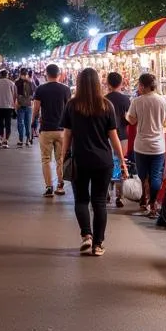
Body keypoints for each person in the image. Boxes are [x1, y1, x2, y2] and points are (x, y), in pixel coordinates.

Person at [61, 67, 128, 256]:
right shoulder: (107, 106)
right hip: (103, 161)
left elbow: (67, 134)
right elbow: (113, 136)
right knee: (99, 202)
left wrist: (62, 156)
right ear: (99, 83)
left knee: (81, 200)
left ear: (80, 83)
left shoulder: (72, 105)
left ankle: (86, 236)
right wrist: (122, 160)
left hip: (80, 160)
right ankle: (98, 244)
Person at [125, 73, 166, 218]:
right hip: (158, 146)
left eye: (139, 85)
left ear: (143, 86)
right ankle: (153, 205)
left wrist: (127, 115)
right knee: (156, 176)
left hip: (141, 146)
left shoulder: (137, 102)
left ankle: (144, 201)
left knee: (143, 175)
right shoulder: (163, 101)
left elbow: (131, 121)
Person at [32, 63, 71, 197]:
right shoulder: (66, 90)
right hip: (61, 130)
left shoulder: (40, 89)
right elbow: (68, 109)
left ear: (46, 74)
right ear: (59, 74)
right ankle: (60, 186)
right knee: (60, 159)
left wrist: (33, 123)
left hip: (46, 129)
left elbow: (36, 108)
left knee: (46, 159)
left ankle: (49, 187)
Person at [105, 72, 131, 209]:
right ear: (121, 83)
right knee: (121, 163)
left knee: (108, 164)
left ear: (108, 83)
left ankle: (107, 193)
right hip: (122, 137)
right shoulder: (126, 100)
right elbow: (129, 119)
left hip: (106, 138)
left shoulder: (104, 99)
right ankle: (119, 197)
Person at [0, 68, 17, 148]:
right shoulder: (11, 83)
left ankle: (2, 139)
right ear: (7, 75)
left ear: (0, 75)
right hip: (9, 106)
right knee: (8, 123)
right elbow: (15, 94)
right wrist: (13, 104)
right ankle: (6, 141)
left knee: (0, 123)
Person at [15, 67, 35, 147]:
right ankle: (25, 140)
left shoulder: (19, 82)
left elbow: (33, 93)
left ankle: (24, 140)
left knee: (23, 123)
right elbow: (32, 94)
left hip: (23, 105)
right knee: (25, 123)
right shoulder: (27, 82)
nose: (24, 75)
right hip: (25, 105)